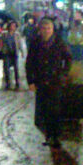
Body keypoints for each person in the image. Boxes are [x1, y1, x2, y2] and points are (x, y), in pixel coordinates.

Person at [25, 18, 72, 148]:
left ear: (52, 29)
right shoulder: (35, 43)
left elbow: (68, 58)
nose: (46, 31)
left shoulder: (59, 42)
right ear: (40, 30)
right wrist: (31, 81)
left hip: (55, 80)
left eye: (49, 29)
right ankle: (48, 135)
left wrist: (64, 73)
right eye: (44, 29)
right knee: (45, 109)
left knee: (55, 108)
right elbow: (29, 63)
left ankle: (56, 136)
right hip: (41, 80)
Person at [0, 21, 25, 90]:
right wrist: (0, 49)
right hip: (6, 53)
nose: (12, 27)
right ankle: (8, 84)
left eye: (14, 26)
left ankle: (17, 83)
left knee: (16, 69)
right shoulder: (4, 34)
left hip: (14, 53)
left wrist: (22, 52)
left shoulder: (17, 35)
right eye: (11, 25)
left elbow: (20, 43)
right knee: (6, 68)